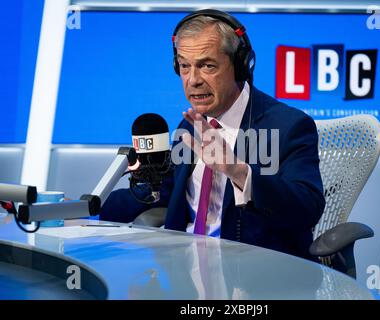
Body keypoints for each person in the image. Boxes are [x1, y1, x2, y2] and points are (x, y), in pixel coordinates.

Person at [100, 9, 325, 261]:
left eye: (207, 66)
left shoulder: (289, 126)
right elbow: (165, 190)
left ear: (241, 66)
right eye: (185, 66)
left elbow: (307, 209)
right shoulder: (190, 126)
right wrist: (87, 207)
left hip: (255, 276)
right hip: (184, 271)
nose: (193, 80)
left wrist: (237, 170)